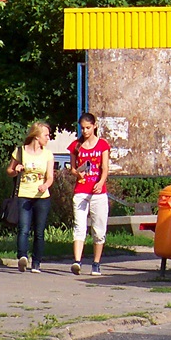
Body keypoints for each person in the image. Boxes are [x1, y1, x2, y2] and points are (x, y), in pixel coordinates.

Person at [8, 121, 54, 273]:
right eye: (46, 135)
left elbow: (50, 177)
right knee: (24, 229)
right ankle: (22, 257)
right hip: (24, 195)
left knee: (39, 231)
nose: (48, 138)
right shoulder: (20, 151)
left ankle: (37, 262)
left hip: (42, 197)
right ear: (36, 136)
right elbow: (9, 170)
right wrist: (16, 169)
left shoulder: (48, 154)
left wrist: (45, 185)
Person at [69, 112, 111, 276]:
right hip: (81, 191)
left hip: (98, 193)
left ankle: (96, 262)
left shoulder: (102, 145)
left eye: (88, 128)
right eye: (82, 128)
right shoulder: (76, 146)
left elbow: (105, 167)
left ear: (94, 126)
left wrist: (100, 183)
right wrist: (77, 173)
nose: (85, 131)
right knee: (79, 226)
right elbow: (72, 168)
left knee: (99, 229)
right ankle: (77, 261)